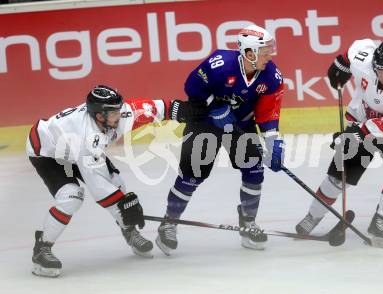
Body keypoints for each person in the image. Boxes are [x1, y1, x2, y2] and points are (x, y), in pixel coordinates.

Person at [27, 85, 201, 277]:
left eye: (119, 109)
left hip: (75, 150)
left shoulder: (119, 115)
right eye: (113, 113)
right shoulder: (87, 136)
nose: (119, 116)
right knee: (71, 197)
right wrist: (125, 207)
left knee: (117, 183)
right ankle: (42, 248)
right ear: (99, 116)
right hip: (48, 154)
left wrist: (183, 110)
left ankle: (129, 230)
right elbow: (98, 187)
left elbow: (158, 108)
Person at [154, 24, 285, 255]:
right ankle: (169, 222)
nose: (269, 56)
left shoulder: (271, 76)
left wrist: (272, 140)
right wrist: (214, 107)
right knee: (192, 175)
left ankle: (248, 222)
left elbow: (267, 112)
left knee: (254, 170)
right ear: (249, 52)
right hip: (205, 123)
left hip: (241, 125)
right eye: (265, 51)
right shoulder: (220, 63)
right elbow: (192, 87)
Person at [295, 39, 383, 248]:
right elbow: (354, 49)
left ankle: (380, 221)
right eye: (378, 69)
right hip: (362, 120)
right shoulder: (365, 59)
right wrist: (341, 64)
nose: (381, 74)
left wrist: (357, 134)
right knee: (337, 178)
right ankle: (313, 216)